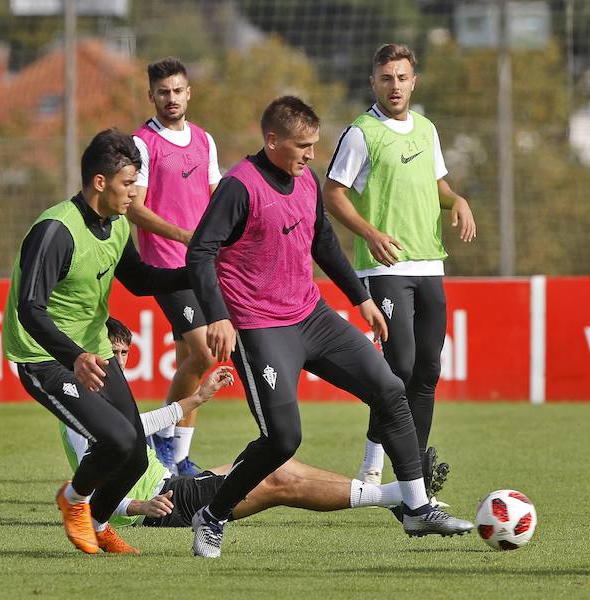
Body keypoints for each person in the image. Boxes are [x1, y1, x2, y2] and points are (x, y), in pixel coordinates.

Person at [185, 95, 473, 558]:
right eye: (302, 145)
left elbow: (324, 246)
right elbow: (199, 251)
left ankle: (417, 508)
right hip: (260, 328)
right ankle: (213, 515)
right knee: (283, 439)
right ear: (272, 140)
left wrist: (361, 299)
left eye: (314, 144)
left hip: (312, 316)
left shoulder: (306, 180)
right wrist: (218, 315)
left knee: (390, 388)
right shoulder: (239, 186)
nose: (310, 155)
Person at [2, 128, 192, 556]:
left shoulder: (118, 224)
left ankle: (101, 523)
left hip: (92, 352)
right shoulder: (56, 231)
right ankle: (74, 499)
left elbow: (141, 281)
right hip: (43, 356)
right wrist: (74, 356)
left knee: (137, 458)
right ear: (100, 182)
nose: (134, 194)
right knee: (118, 441)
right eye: (128, 184)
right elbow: (30, 309)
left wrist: (196, 272)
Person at [60, 317, 412, 530]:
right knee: (279, 478)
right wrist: (138, 507)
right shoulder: (81, 411)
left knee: (277, 465)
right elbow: (83, 492)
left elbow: (139, 426)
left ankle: (397, 496)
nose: (118, 361)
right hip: (163, 505)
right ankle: (399, 495)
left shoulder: (104, 399)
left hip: (172, 485)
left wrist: (195, 400)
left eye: (123, 352)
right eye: (111, 352)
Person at [323, 44, 477, 500]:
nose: (395, 86)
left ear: (414, 81)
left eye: (402, 77)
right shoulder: (361, 133)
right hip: (385, 266)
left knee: (427, 371)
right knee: (399, 369)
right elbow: (333, 194)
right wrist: (369, 233)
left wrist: (459, 200)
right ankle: (373, 467)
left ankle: (416, 479)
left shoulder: (426, 130)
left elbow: (437, 185)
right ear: (374, 81)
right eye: (386, 78)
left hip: (430, 263)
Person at [128, 58, 223, 477]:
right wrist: (183, 236)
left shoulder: (204, 140)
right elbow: (133, 207)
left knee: (190, 355)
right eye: (163, 92)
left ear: (189, 93)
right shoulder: (143, 143)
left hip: (203, 266)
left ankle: (177, 457)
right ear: (151, 95)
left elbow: (218, 197)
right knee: (205, 353)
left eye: (178, 90)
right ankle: (166, 439)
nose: (171, 98)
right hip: (165, 265)